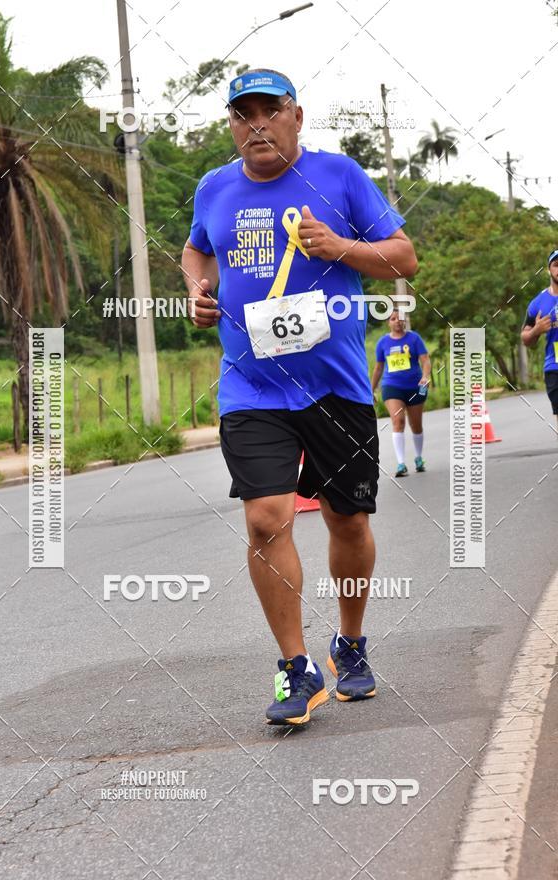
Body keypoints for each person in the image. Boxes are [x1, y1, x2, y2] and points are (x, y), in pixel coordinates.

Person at [181, 68, 417, 726]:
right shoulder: (214, 187)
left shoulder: (339, 176)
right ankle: (296, 666)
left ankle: (350, 641)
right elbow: (196, 251)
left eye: (269, 111)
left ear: (296, 116)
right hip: (251, 385)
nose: (256, 125)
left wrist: (341, 246)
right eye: (243, 114)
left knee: (349, 521)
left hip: (335, 385)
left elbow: (404, 257)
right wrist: (198, 289)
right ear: (232, 125)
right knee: (265, 519)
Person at [371, 311, 431, 477]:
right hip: (392, 386)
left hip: (415, 386)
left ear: (405, 322)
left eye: (400, 319)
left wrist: (425, 376)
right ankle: (401, 463)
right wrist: (371, 389)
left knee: (416, 425)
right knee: (398, 420)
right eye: (393, 319)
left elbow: (425, 360)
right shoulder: (383, 342)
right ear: (388, 323)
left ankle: (418, 458)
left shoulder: (414, 339)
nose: (397, 321)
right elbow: (378, 368)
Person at [521, 249, 558, 436]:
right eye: (556, 265)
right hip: (555, 366)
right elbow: (525, 337)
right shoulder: (538, 303)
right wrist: (536, 330)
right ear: (549, 270)